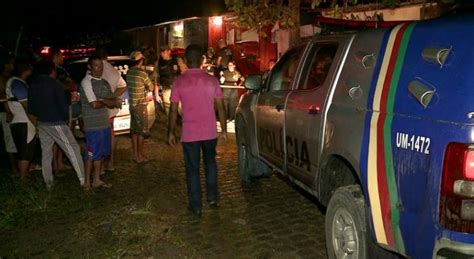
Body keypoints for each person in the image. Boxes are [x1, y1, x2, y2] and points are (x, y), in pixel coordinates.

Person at [168, 44, 227, 217]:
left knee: (192, 169)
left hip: (190, 134)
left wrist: (170, 132)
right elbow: (221, 108)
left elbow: (173, 110)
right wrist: (223, 129)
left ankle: (196, 205)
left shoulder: (179, 82)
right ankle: (213, 197)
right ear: (202, 60)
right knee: (210, 164)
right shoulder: (212, 81)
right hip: (209, 132)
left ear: (186, 60)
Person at [28, 61, 85, 189]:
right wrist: (64, 119)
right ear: (52, 71)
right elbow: (63, 107)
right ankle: (83, 179)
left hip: (41, 122)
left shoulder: (33, 85)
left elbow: (31, 108)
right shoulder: (55, 85)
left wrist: (37, 122)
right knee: (73, 148)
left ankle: (48, 182)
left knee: (46, 153)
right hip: (55, 122)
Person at [80, 55, 121, 190]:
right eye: (96, 66)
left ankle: (97, 180)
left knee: (101, 154)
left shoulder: (103, 82)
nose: (99, 69)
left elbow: (113, 101)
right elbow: (94, 104)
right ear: (89, 67)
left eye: (101, 66)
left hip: (104, 123)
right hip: (93, 126)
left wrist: (103, 100)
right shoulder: (87, 82)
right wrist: (105, 101)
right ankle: (87, 182)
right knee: (91, 154)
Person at [86, 47, 128, 173]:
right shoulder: (113, 71)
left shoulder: (94, 70)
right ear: (106, 56)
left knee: (98, 137)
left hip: (98, 109)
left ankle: (100, 166)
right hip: (111, 110)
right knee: (110, 136)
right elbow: (123, 86)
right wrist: (112, 97)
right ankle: (110, 163)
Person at [6, 59, 36, 180]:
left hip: (17, 120)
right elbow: (27, 107)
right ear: (26, 69)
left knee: (23, 149)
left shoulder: (12, 82)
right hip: (24, 121)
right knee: (25, 151)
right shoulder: (17, 84)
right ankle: (23, 177)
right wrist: (35, 123)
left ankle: (24, 174)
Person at [127, 51, 154, 163]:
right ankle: (139, 156)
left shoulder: (129, 72)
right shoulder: (142, 73)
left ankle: (135, 154)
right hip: (140, 105)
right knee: (142, 131)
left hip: (132, 105)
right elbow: (151, 87)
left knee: (134, 131)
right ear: (141, 61)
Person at [0, 53, 18, 176]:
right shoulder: (1, 78)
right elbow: (2, 96)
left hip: (9, 111)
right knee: (10, 140)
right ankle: (14, 170)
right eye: (11, 63)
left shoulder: (9, 77)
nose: (13, 66)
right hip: (5, 112)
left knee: (14, 139)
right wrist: (8, 111)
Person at [157, 45, 180, 116]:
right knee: (168, 111)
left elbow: (183, 73)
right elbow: (156, 78)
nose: (162, 54)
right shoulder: (159, 63)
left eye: (164, 52)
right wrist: (157, 94)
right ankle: (170, 125)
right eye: (161, 52)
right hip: (166, 90)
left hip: (177, 89)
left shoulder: (177, 61)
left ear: (169, 52)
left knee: (180, 110)